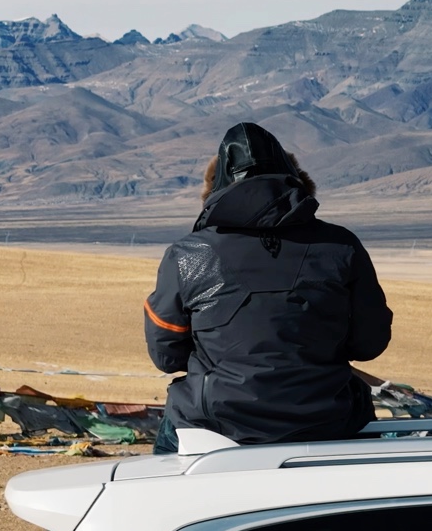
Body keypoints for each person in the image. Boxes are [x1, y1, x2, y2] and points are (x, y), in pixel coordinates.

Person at [144, 123, 392, 453]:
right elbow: (370, 343)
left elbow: (165, 354)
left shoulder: (187, 255)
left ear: (214, 188)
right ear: (297, 180)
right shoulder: (341, 246)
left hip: (213, 425)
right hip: (330, 420)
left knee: (161, 484)